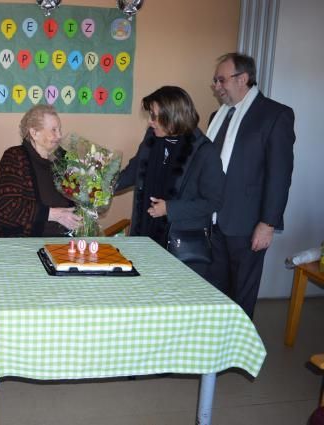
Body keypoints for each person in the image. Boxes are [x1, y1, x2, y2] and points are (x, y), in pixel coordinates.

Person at [206, 52, 295, 318]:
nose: (216, 86)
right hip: (213, 221)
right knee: (214, 290)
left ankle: (239, 356)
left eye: (221, 80)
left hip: (248, 225)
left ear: (242, 78)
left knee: (242, 295)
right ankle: (215, 347)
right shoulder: (216, 116)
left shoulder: (275, 115)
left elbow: (280, 175)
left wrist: (267, 224)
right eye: (215, 80)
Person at [115, 86, 225, 279]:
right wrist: (97, 187)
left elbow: (214, 202)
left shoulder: (205, 152)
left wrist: (170, 208)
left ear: (174, 117)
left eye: (155, 116)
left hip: (180, 246)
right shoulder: (152, 138)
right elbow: (133, 172)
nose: (150, 122)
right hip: (145, 235)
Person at [0, 104, 81, 237]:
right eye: (53, 130)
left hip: (64, 239)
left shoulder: (63, 159)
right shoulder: (15, 156)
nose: (59, 135)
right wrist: (54, 215)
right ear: (34, 133)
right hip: (23, 241)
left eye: (59, 129)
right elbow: (8, 204)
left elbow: (77, 195)